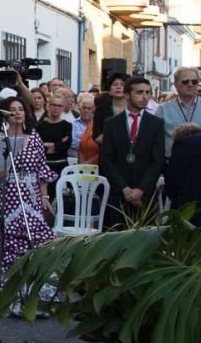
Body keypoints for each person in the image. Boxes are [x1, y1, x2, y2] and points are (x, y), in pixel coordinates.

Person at [0, 92, 55, 295]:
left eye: (20, 109)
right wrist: (4, 169)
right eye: (12, 110)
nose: (17, 113)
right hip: (6, 195)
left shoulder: (35, 138)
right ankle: (8, 291)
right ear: (4, 115)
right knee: (8, 241)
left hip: (30, 196)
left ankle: (35, 290)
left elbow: (41, 170)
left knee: (36, 239)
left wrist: (45, 196)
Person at [99, 76, 166, 228]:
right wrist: (125, 189)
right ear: (127, 95)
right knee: (117, 239)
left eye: (148, 93)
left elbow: (158, 160)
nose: (145, 97)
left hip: (145, 194)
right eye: (139, 92)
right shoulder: (112, 123)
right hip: (119, 192)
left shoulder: (156, 123)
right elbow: (106, 159)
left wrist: (141, 190)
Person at [155, 66, 201, 157]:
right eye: (185, 81)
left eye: (194, 82)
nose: (190, 84)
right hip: (173, 163)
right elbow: (156, 142)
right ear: (175, 84)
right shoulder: (163, 109)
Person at [36, 91, 71, 200]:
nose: (56, 108)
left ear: (63, 107)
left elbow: (65, 146)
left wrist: (49, 144)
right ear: (48, 106)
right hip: (43, 167)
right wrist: (56, 144)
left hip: (61, 167)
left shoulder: (67, 126)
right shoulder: (40, 126)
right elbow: (38, 146)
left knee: (60, 201)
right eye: (53, 105)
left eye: (59, 106)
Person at [93, 72, 130, 144]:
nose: (118, 87)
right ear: (109, 91)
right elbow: (96, 136)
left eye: (122, 84)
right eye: (115, 84)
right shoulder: (101, 109)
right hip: (108, 152)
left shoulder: (134, 109)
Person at [71, 92, 95, 161]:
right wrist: (90, 143)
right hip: (75, 160)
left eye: (89, 108)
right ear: (80, 109)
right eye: (84, 108)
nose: (86, 111)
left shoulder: (98, 125)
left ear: (93, 110)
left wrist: (81, 139)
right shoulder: (73, 125)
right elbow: (72, 143)